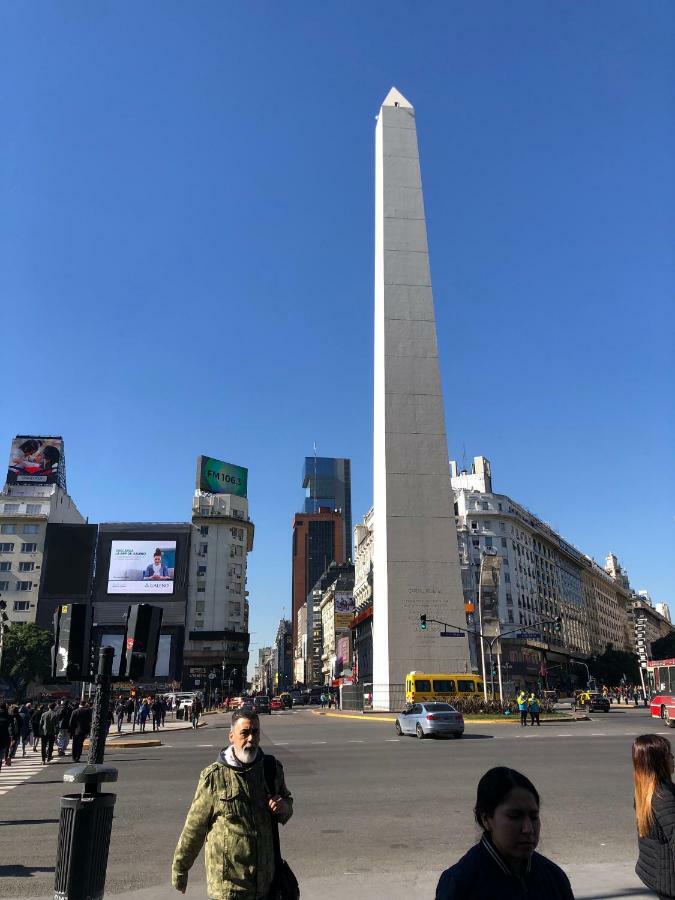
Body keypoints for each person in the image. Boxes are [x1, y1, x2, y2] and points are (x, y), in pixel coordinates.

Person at [172, 707, 293, 898]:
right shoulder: (214, 777)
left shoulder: (271, 769)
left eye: (255, 732)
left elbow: (287, 805)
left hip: (266, 887)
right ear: (231, 736)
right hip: (228, 889)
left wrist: (283, 807)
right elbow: (194, 828)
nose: (251, 739)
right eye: (244, 733)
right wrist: (180, 869)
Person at [435, 766, 574, 899]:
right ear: (486, 820)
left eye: (534, 817)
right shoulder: (459, 885)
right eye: (514, 816)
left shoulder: (554, 878)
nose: (528, 829)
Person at [632, 733, 675, 898]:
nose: (673, 758)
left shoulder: (645, 790)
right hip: (669, 878)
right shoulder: (663, 797)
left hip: (654, 871)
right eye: (668, 755)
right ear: (658, 762)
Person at [0, 702, 13, 772]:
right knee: (4, 750)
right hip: (5, 737)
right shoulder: (9, 716)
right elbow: (11, 727)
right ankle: (4, 760)